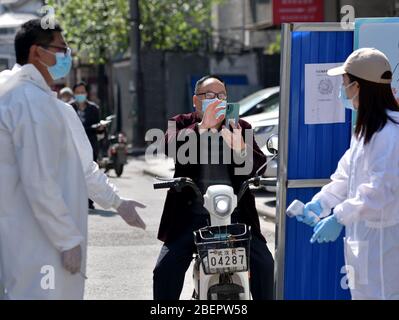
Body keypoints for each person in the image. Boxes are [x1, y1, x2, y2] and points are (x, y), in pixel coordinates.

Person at [0, 19, 145, 300]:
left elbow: (82, 170)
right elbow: (39, 178)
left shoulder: (14, 95)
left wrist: (117, 202)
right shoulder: (32, 102)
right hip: (40, 241)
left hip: (21, 238)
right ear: (36, 52)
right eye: (61, 49)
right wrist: (67, 239)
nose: (67, 56)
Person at [153, 75, 275, 300]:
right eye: (209, 96)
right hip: (189, 218)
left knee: (265, 266)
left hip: (237, 217)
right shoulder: (180, 122)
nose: (216, 100)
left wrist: (241, 149)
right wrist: (201, 127)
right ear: (196, 101)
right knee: (164, 271)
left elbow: (258, 167)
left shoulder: (239, 126)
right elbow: (168, 147)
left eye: (221, 96)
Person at [297, 48, 399, 300]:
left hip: (385, 240)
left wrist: (339, 217)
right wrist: (322, 203)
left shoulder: (389, 132)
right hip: (363, 240)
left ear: (358, 86)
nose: (342, 89)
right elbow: (346, 175)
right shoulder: (366, 129)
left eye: (344, 83)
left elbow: (382, 190)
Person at [71, 82, 103, 162]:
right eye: (78, 93)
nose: (80, 95)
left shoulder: (94, 109)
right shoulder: (69, 108)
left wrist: (100, 128)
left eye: (82, 92)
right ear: (74, 94)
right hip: (74, 147)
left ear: (86, 93)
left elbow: (99, 131)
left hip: (90, 145)